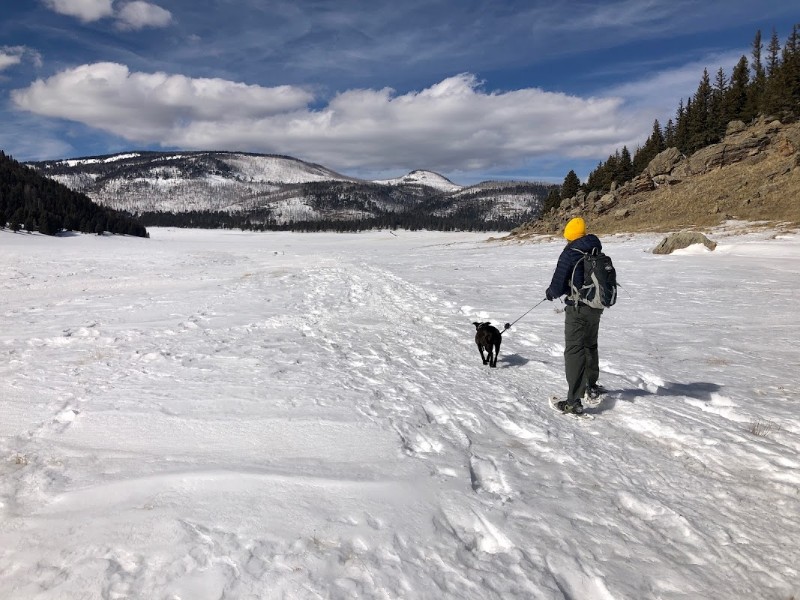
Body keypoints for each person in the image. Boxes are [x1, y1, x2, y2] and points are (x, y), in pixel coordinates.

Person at [545, 217, 605, 415]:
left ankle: (573, 401)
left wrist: (550, 293)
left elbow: (557, 286)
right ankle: (592, 386)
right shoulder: (595, 247)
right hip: (596, 307)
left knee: (574, 351)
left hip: (578, 309)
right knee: (590, 345)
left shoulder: (570, 253)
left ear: (569, 235)